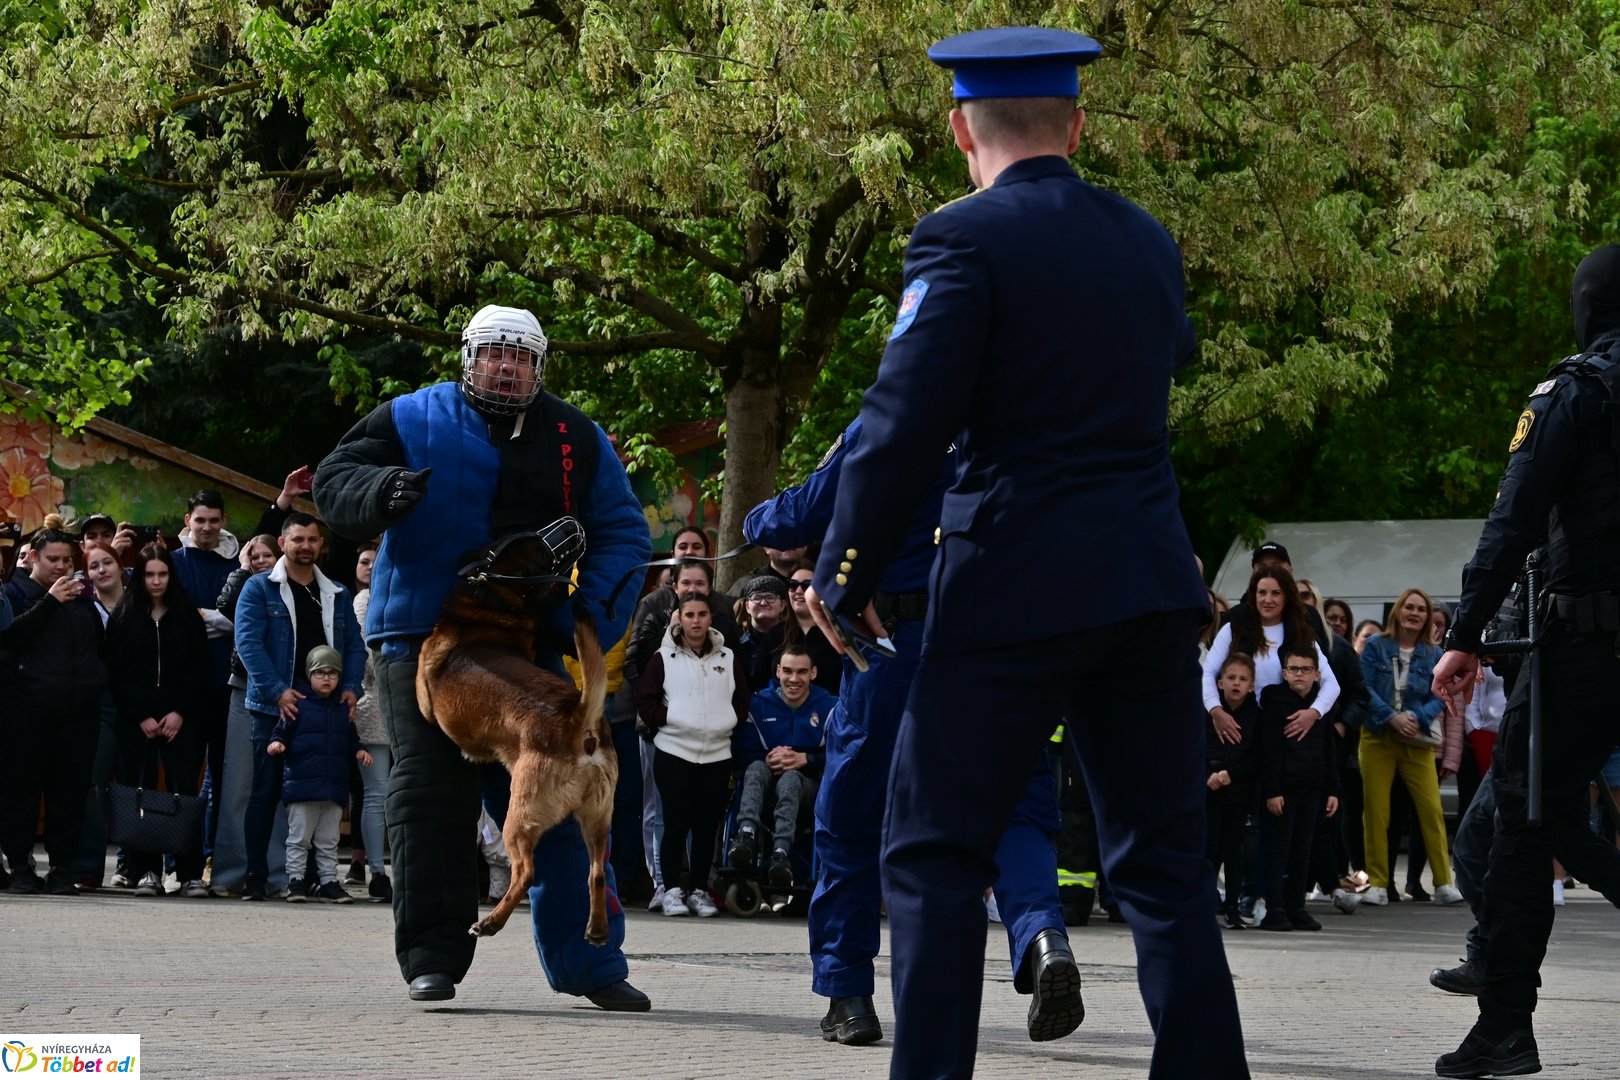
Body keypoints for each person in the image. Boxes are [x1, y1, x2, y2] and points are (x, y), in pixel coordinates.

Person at [801, 28, 1247, 1078]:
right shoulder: (1146, 238)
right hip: (1144, 582)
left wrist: (846, 569)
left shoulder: (962, 239)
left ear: (962, 130)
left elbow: (903, 420)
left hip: (1010, 588)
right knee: (1168, 873)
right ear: (1078, 126)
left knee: (934, 854)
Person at [314, 302, 652, 1010]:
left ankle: (590, 964)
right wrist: (383, 491)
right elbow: (336, 477)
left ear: (539, 366)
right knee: (429, 798)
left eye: (522, 357)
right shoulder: (412, 416)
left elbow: (622, 531)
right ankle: (432, 958)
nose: (508, 366)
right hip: (417, 636)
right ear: (469, 358)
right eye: (495, 353)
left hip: (523, 639)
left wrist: (581, 616)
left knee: (561, 789)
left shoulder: (575, 435)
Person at [748, 414, 1080, 1048]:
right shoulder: (1033, 414)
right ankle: (1042, 937)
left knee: (850, 818)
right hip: (1002, 643)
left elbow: (800, 513)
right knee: (1015, 807)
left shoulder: (903, 406)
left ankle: (848, 996)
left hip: (894, 645)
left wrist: (757, 523)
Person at [1431, 246, 1620, 1078]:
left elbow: (1513, 523)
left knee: (1522, 821)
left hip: (1587, 645)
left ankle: (1506, 1022)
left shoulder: (1574, 393)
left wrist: (1463, 635)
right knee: (1547, 822)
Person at [234, 514, 366, 900]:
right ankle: (256, 876)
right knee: (265, 792)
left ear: (320, 544)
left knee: (317, 794)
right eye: (297, 539)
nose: (305, 546)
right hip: (275, 707)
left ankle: (313, 879)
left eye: (312, 539)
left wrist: (352, 687)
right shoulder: (259, 589)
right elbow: (248, 644)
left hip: (323, 708)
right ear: (282, 542)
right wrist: (277, 691)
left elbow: (355, 647)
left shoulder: (337, 592)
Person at [0, 516, 109, 895]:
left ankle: (63, 868)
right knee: (21, 792)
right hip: (27, 710)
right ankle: (19, 866)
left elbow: (101, 647)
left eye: (67, 560)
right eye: (54, 560)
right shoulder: (13, 593)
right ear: (32, 558)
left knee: (70, 793)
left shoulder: (84, 599)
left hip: (79, 711)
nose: (62, 567)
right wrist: (48, 602)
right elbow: (10, 639)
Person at [105, 543, 212, 897]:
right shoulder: (125, 615)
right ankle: (147, 871)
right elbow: (117, 673)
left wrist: (180, 711)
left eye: (162, 574)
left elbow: (200, 670)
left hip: (182, 718)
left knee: (185, 791)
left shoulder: (186, 616)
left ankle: (190, 872)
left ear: (171, 575)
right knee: (141, 792)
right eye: (149, 574)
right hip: (138, 721)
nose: (155, 581)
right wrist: (141, 716)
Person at [635, 593, 749, 918]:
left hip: (716, 754)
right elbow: (647, 700)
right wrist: (670, 719)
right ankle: (671, 890)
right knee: (674, 824)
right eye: (689, 615)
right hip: (674, 752)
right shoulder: (663, 658)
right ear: (679, 619)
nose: (696, 621)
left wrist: (726, 721)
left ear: (710, 618)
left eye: (702, 614)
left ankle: (699, 890)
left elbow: (742, 701)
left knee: (705, 826)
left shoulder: (727, 658)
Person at [1358, 588, 1464, 908]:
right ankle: (1376, 883)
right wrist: (1391, 718)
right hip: (1378, 736)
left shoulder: (1434, 653)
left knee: (1431, 810)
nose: (1415, 614)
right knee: (1377, 812)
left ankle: (1444, 883)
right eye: (1410, 607)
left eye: (1421, 609)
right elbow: (1362, 689)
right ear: (1398, 611)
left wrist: (1416, 718)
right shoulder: (1376, 646)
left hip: (1417, 740)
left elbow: (1441, 695)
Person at [727, 645, 834, 905]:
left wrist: (805, 759)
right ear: (778, 672)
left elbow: (840, 755)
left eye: (801, 672)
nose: (794, 679)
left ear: (813, 673)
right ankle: (746, 836)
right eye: (787, 671)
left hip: (807, 788)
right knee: (754, 768)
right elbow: (738, 751)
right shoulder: (759, 704)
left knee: (790, 779)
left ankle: (780, 853)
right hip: (764, 787)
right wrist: (768, 757)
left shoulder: (830, 706)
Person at [266, 645, 372, 904]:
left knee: (329, 840)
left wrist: (359, 751)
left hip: (334, 787)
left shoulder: (341, 707)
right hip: (302, 786)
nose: (326, 678)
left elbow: (350, 738)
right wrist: (277, 743)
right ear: (309, 675)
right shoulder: (298, 703)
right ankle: (295, 882)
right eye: (320, 673)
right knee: (299, 839)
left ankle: (329, 882)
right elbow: (281, 730)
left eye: (332, 674)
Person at [209, 533, 284, 897]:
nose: (260, 561)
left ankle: (279, 875)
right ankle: (229, 874)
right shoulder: (248, 586)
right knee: (237, 784)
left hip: (290, 692)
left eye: (267, 555)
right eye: (254, 556)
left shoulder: (301, 587)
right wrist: (240, 570)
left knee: (280, 790)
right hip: (244, 686)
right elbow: (226, 609)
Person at [1257, 642, 1339, 932]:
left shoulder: (1320, 707)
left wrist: (1332, 790)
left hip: (1312, 788)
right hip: (1283, 790)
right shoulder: (1274, 703)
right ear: (1284, 673)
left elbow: (1329, 749)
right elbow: (1268, 750)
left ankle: (1297, 907)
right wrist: (1272, 790)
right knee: (1278, 850)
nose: (1300, 675)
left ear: (1317, 674)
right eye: (1294, 669)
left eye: (1306, 669)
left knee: (1302, 851)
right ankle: (1274, 908)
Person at [1206, 653, 1261, 931]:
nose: (1236, 684)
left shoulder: (1256, 717)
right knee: (1209, 851)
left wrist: (1231, 774)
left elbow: (1257, 756)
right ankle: (1204, 906)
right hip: (1210, 794)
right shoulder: (1208, 715)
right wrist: (1210, 775)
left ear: (1252, 686)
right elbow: (1196, 749)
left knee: (1234, 852)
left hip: (1239, 795)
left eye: (1243, 679)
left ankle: (1233, 909)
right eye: (1231, 678)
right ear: (1219, 683)